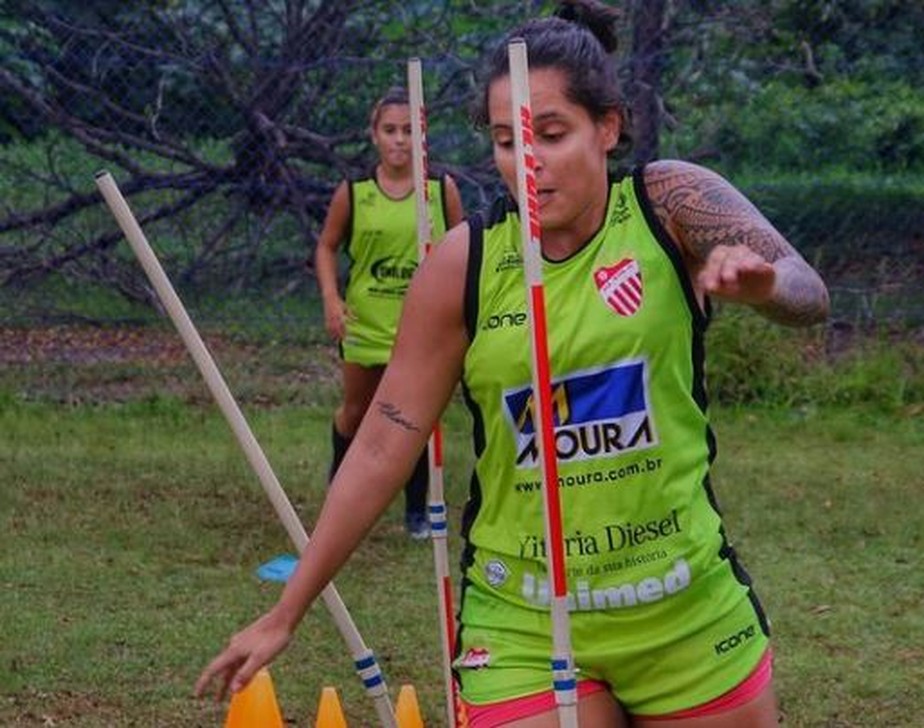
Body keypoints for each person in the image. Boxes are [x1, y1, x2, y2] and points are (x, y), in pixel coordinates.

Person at [197, 2, 830, 725]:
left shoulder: (669, 203)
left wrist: (767, 285)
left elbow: (808, 291)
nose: (525, 160)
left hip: (683, 606)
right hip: (523, 617)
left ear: (609, 127)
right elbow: (381, 441)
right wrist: (288, 609)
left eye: (550, 135)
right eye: (505, 140)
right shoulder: (463, 264)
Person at [313, 86, 464, 540]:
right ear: (374, 135)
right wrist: (331, 299)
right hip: (366, 324)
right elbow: (326, 246)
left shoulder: (441, 189)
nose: (400, 140)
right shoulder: (355, 192)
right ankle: (338, 498)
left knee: (413, 416)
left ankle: (416, 510)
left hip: (421, 328)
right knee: (358, 412)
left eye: (409, 131)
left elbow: (463, 246)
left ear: (423, 137)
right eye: (390, 130)